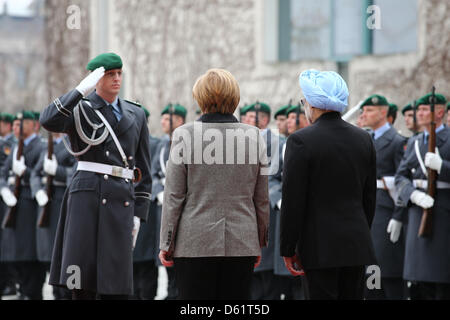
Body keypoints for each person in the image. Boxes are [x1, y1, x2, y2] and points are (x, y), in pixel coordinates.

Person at [40, 52, 152, 300]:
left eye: (119, 73)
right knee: (81, 280)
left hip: (120, 198)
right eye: (110, 74)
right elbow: (48, 120)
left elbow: (143, 170)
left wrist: (138, 214)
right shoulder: (80, 109)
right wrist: (79, 91)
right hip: (86, 199)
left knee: (117, 282)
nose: (116, 79)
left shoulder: (137, 114)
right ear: (95, 78)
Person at [159, 68, 270, 300]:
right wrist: (259, 240)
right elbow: (261, 197)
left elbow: (174, 195)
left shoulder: (183, 134)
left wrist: (167, 241)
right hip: (242, 241)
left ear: (201, 98)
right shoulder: (254, 136)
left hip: (194, 242)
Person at [280, 70, 377, 300]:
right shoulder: (363, 139)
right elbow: (369, 198)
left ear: (312, 104)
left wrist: (287, 247)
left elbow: (293, 201)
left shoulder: (301, 140)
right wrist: (360, 234)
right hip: (356, 244)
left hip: (318, 247)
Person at [395, 92, 450, 300]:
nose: (420, 113)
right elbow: (401, 176)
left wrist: (442, 166)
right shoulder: (416, 142)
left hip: (443, 213)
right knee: (419, 282)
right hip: (419, 212)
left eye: (425, 109)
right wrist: (413, 195)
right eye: (418, 110)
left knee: (441, 281)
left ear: (440, 112)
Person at [360, 95, 407, 300]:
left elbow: (403, 181)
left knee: (387, 269)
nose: (364, 115)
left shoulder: (396, 141)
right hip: (367, 210)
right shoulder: (365, 139)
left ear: (383, 112)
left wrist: (398, 215)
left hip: (386, 210)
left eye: (369, 110)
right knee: (370, 270)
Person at [0, 111, 47, 300]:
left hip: (30, 203)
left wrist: (25, 173)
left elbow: (41, 174)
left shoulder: (40, 146)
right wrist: (3, 188)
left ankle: (30, 291)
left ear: (33, 125)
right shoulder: (15, 146)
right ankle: (22, 289)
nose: (16, 128)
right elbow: (3, 172)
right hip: (14, 203)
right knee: (15, 252)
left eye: (21, 124)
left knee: (29, 253)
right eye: (16, 124)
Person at [30, 131, 76, 300]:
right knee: (48, 254)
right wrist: (37, 191)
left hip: (62, 200)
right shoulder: (46, 147)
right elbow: (36, 173)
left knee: (63, 254)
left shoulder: (71, 145)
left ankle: (64, 292)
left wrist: (58, 170)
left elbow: (77, 171)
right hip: (46, 201)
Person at [151, 103, 187, 300]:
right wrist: (159, 190)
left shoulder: (187, 142)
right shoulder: (162, 144)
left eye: (168, 118)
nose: (163, 122)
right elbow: (154, 173)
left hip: (180, 205)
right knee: (165, 252)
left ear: (179, 121)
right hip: (163, 205)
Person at [132, 106, 160, 300]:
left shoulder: (156, 144)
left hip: (145, 206)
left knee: (147, 265)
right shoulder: (121, 142)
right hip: (124, 205)